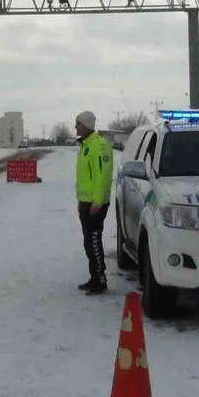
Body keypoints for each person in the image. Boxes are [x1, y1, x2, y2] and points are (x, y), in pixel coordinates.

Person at [74, 110, 114, 295]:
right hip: (86, 201)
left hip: (95, 204)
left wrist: (97, 201)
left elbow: (103, 176)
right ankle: (94, 277)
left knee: (94, 241)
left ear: (87, 125)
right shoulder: (86, 145)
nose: (76, 127)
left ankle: (100, 279)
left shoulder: (99, 146)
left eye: (78, 123)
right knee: (89, 242)